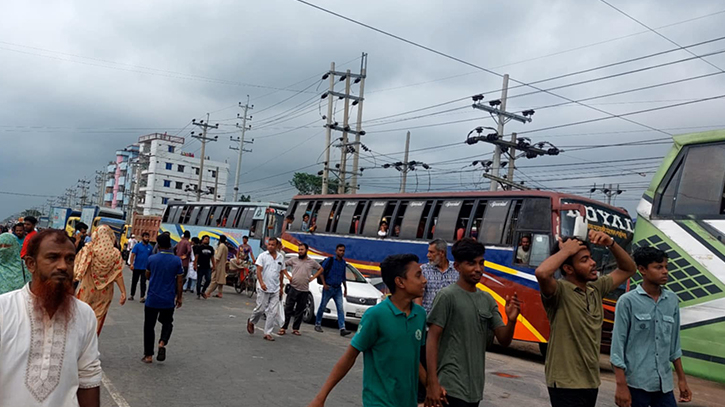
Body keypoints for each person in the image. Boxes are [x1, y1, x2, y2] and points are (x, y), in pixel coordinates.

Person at [307, 253, 427, 407]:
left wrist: (431, 386)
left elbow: (413, 358)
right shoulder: (376, 315)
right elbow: (349, 357)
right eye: (418, 275)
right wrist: (320, 398)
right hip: (378, 402)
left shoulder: (420, 315)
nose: (424, 280)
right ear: (400, 282)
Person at [0, 229, 102, 406]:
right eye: (53, 257)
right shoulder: (4, 309)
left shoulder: (84, 314)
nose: (63, 266)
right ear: (31, 264)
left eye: (70, 259)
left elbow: (89, 377)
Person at [535, 230, 636, 407]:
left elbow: (629, 268)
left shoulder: (595, 289)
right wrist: (566, 251)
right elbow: (542, 273)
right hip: (565, 383)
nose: (593, 263)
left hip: (590, 381)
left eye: (590, 257)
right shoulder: (559, 291)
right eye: (584, 260)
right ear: (568, 269)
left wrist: (610, 243)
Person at [426, 237, 521, 407]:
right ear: (457, 267)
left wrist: (512, 320)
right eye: (471, 264)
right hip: (450, 385)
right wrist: (432, 384)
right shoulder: (447, 296)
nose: (478, 269)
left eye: (481, 263)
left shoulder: (487, 299)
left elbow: (504, 340)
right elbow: (432, 339)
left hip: (475, 389)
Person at [610, 247, 692, 407]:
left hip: (664, 385)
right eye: (658, 267)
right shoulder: (627, 302)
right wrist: (621, 386)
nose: (665, 271)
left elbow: (674, 346)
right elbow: (617, 348)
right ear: (642, 270)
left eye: (666, 267)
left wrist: (682, 380)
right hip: (635, 384)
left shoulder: (672, 301)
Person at [414, 239, 458, 404]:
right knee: (425, 367)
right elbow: (419, 296)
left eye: (431, 252)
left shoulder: (456, 271)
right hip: (428, 329)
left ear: (442, 253)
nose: (428, 255)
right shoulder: (423, 270)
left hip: (450, 331)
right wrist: (420, 318)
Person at [74, 225, 127, 335]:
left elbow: (78, 269)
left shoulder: (88, 250)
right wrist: (123, 292)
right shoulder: (116, 254)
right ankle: (92, 341)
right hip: (105, 292)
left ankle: (79, 340)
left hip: (87, 290)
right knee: (98, 316)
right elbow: (118, 275)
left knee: (82, 315)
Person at [142, 233, 184, 364]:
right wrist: (179, 297)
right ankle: (162, 342)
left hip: (152, 298)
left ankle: (148, 355)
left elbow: (147, 276)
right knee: (167, 323)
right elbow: (179, 281)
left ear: (158, 245)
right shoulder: (177, 260)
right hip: (168, 298)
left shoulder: (152, 259)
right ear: (170, 245)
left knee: (149, 326)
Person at [279, 243, 324, 336]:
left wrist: (313, 277)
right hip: (293, 288)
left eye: (302, 249)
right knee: (288, 309)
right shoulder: (293, 260)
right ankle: (283, 327)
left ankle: (295, 328)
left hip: (304, 290)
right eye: (299, 249)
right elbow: (282, 265)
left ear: (306, 250)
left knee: (300, 310)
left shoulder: (311, 262)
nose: (300, 251)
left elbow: (320, 269)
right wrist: (288, 276)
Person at [247, 237, 285, 341]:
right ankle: (251, 321)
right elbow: (258, 271)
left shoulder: (280, 257)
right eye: (269, 244)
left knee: (272, 312)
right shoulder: (262, 256)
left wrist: (281, 287)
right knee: (261, 308)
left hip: (275, 288)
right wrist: (261, 282)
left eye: (273, 245)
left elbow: (281, 273)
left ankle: (267, 333)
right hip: (263, 287)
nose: (270, 246)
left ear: (277, 246)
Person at [314, 244, 352, 337]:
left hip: (338, 288)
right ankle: (318, 324)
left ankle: (342, 328)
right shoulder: (330, 261)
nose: (341, 252)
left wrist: (345, 288)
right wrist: (324, 284)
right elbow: (321, 272)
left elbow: (343, 277)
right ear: (336, 251)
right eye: (340, 250)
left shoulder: (343, 263)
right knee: (323, 306)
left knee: (340, 308)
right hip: (328, 287)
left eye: (343, 251)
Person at [129, 232, 153, 302]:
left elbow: (151, 257)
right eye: (145, 237)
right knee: (134, 281)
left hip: (145, 268)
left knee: (143, 282)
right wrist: (131, 264)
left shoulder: (150, 247)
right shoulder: (137, 246)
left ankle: (142, 297)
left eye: (148, 237)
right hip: (137, 267)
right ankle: (132, 295)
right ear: (142, 238)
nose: (147, 238)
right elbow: (133, 254)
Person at [194, 235, 215, 299]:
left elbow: (212, 258)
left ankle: (203, 291)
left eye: (208, 239)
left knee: (208, 279)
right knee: (199, 281)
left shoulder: (211, 248)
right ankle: (198, 293)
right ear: (202, 240)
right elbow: (196, 257)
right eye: (206, 239)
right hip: (200, 266)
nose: (207, 240)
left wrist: (214, 266)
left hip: (207, 267)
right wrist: (195, 265)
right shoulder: (199, 248)